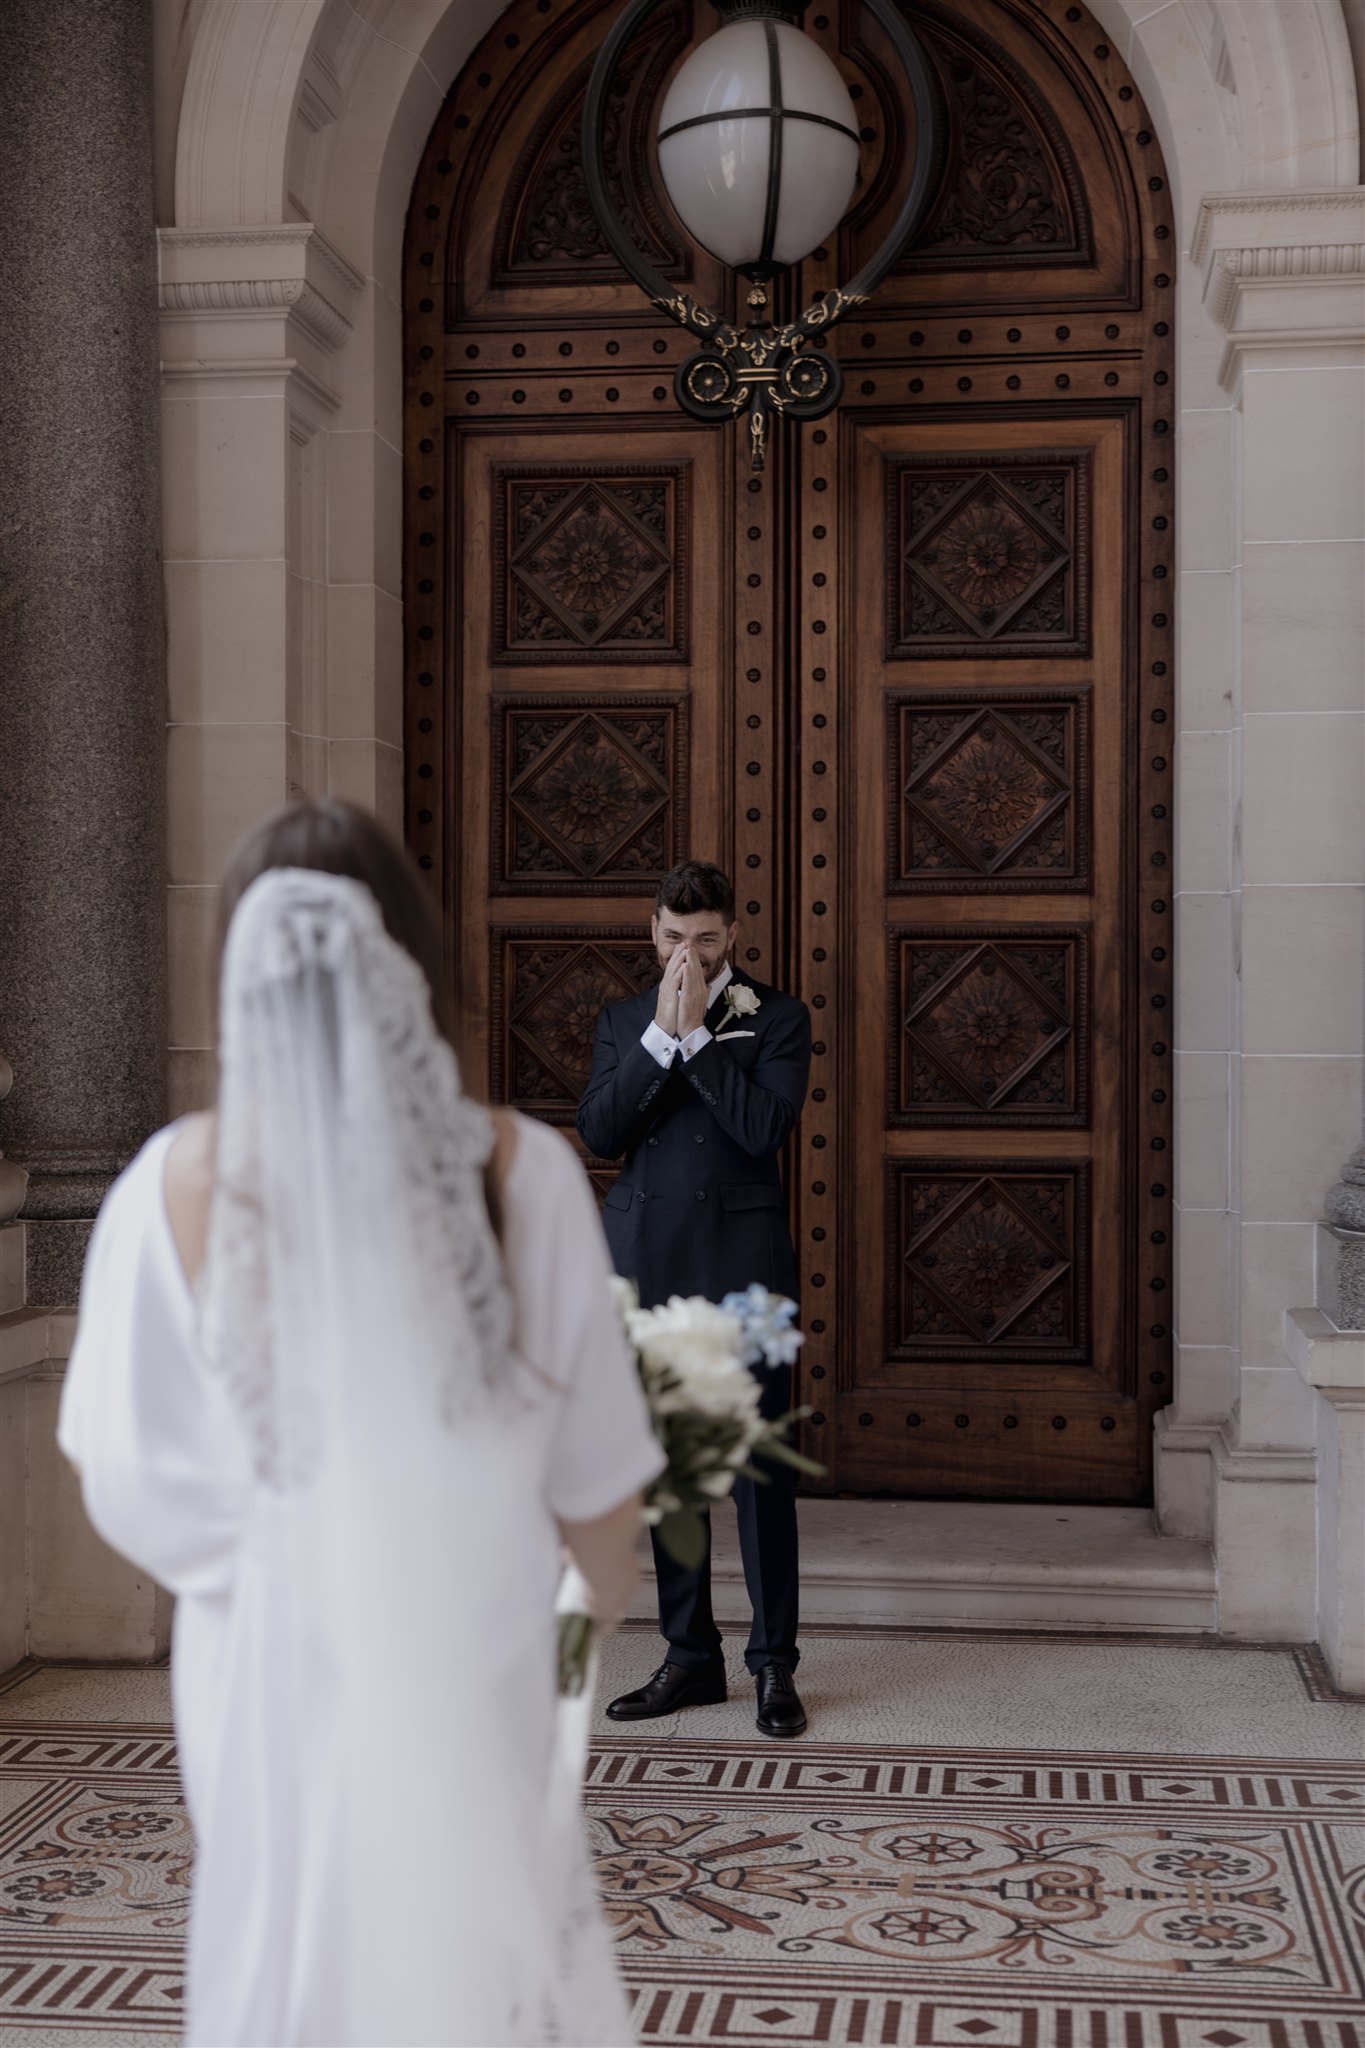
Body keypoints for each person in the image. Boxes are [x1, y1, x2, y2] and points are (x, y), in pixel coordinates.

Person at [57, 800, 663, 2048]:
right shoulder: (529, 1175)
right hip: (484, 1667)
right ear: (421, 969)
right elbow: (606, 1539)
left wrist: (276, 1563)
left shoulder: (163, 1189)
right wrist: (544, 1687)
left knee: (287, 1981)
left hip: (260, 1683)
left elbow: (129, 1482)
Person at [576, 860, 811, 1739]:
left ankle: (774, 1667)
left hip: (745, 1269)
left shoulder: (778, 1017)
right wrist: (660, 1043)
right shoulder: (621, 1021)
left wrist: (703, 1040)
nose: (690, 953)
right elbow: (601, 1131)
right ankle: (689, 1657)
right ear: (653, 934)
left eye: (707, 939)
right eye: (675, 938)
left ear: (732, 938)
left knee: (759, 1474)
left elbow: (760, 1130)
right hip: (650, 1263)